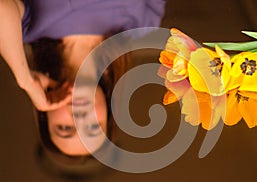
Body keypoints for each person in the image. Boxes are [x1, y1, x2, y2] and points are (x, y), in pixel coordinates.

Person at [0, 0, 166, 156]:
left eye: (64, 128)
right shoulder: (142, 24)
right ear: (108, 112)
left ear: (45, 114)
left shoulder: (26, 27)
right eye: (94, 127)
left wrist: (26, 80)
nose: (80, 119)